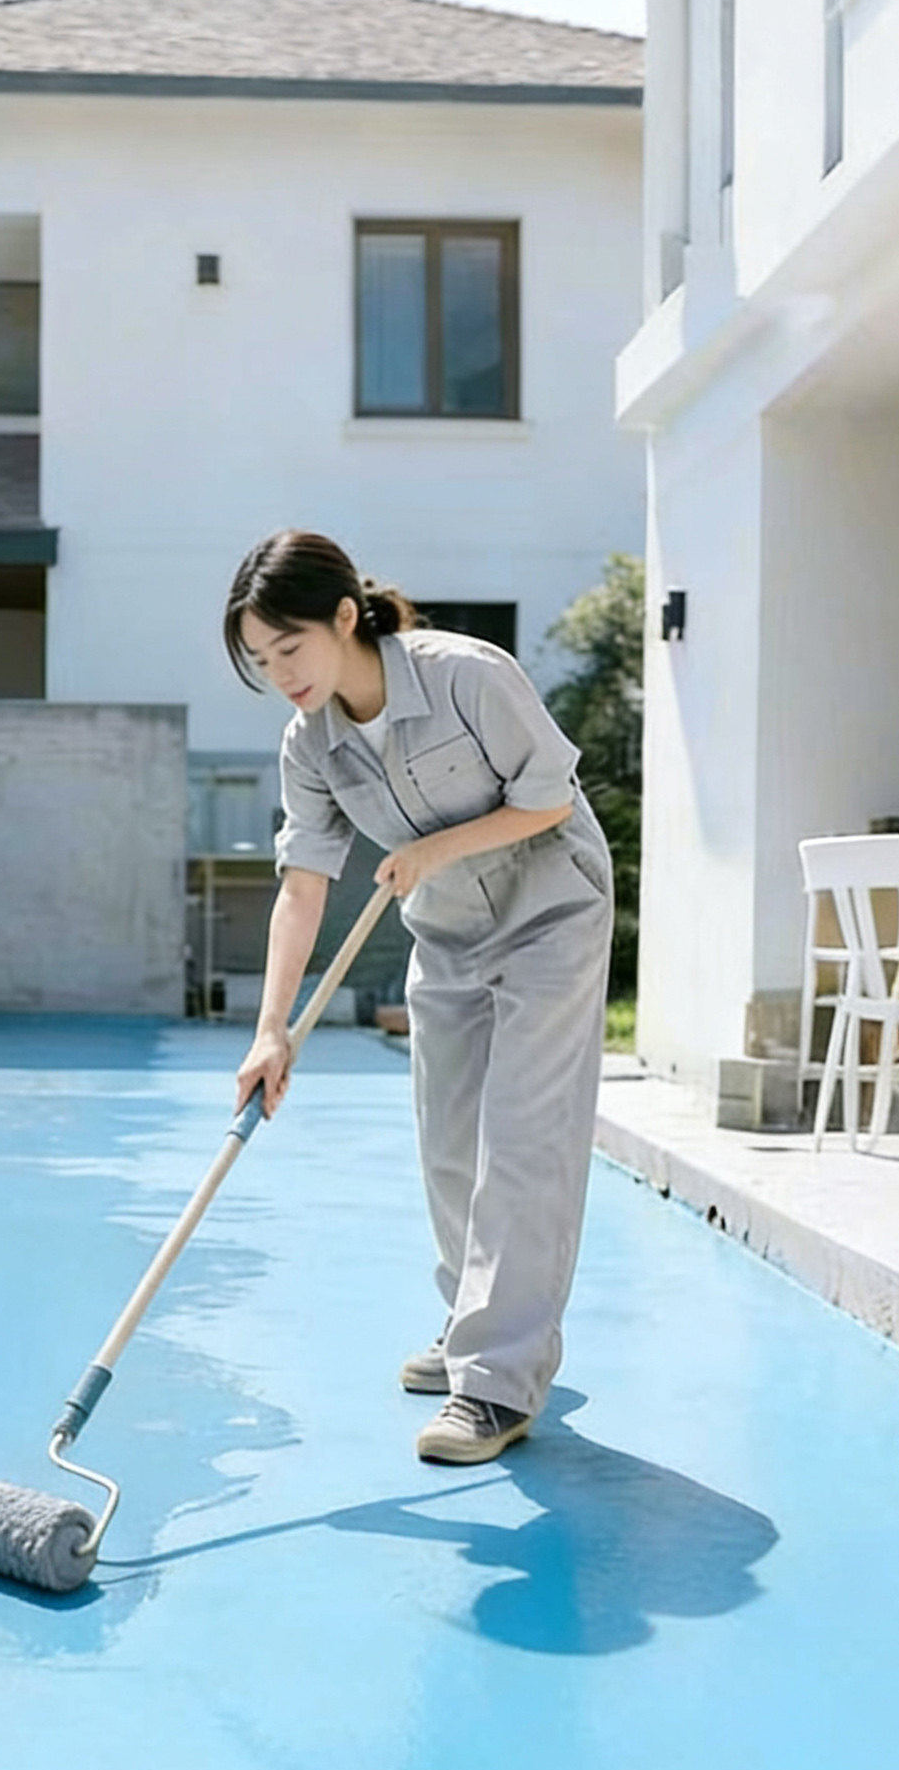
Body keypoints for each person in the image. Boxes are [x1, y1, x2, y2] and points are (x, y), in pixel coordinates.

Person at [225, 530, 615, 1467]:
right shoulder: (308, 745)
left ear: (345, 618)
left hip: (549, 913)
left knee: (523, 1139)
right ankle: (471, 1321)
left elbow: (551, 799)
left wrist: (436, 849)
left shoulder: (467, 677)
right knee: (449, 1143)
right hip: (446, 933)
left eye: (291, 648)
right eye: (261, 660)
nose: (281, 674)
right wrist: (272, 1030)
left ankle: (498, 1383)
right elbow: (303, 884)